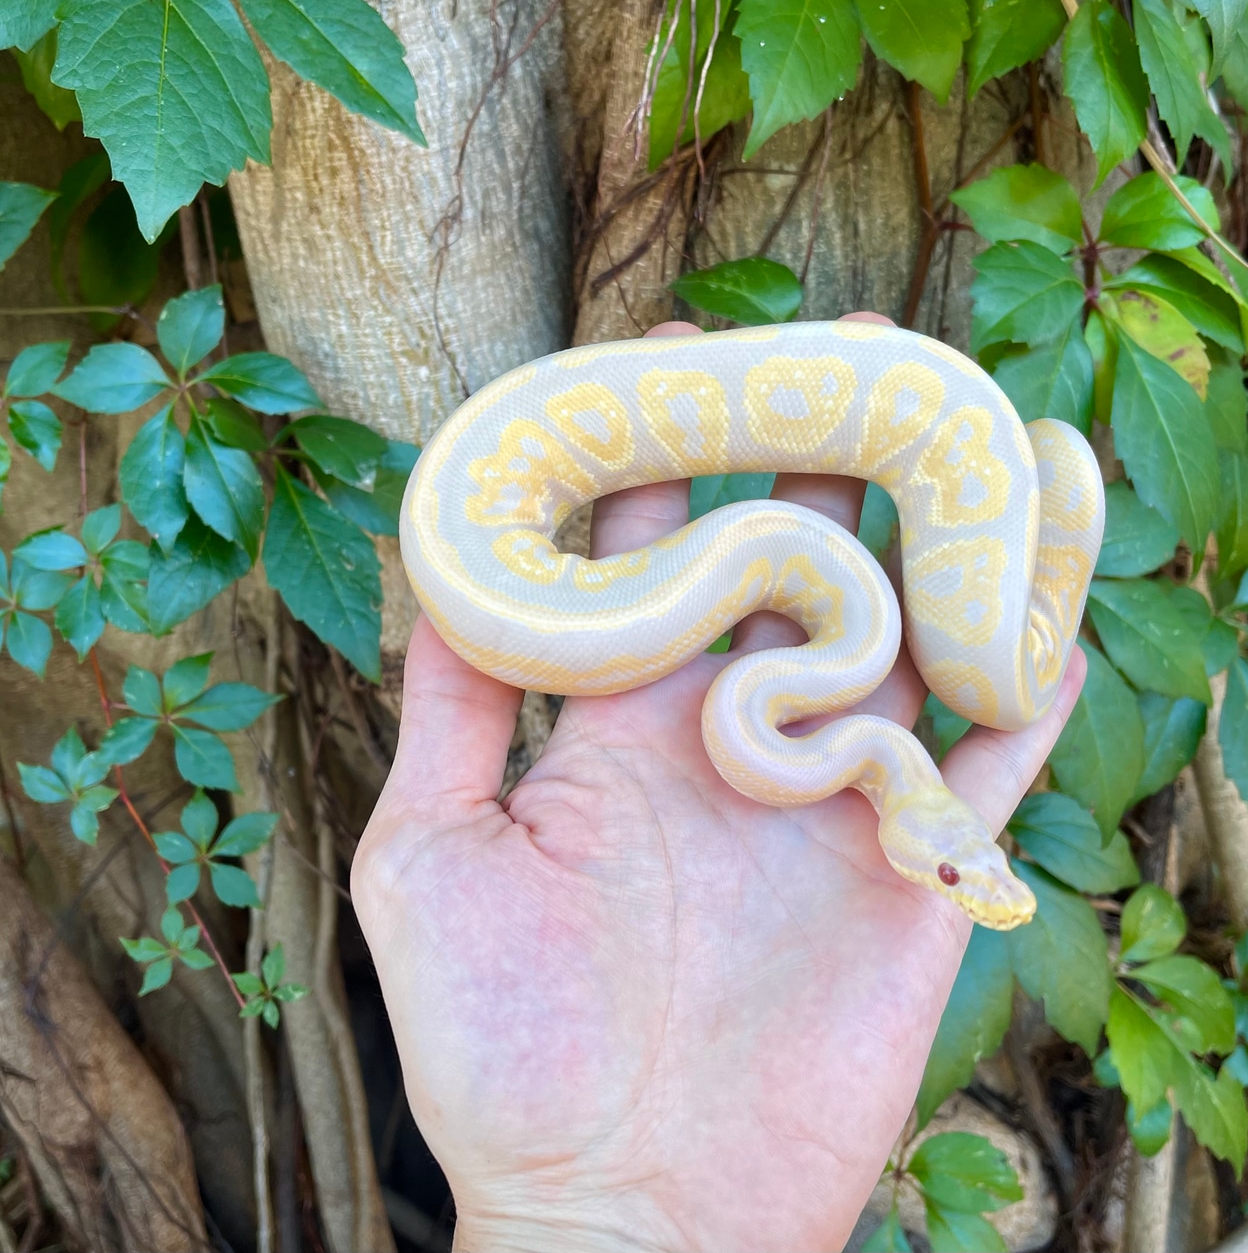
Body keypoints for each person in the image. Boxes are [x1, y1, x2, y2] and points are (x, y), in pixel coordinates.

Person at [351, 312, 1086, 1252]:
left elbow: (1053, 466)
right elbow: (1058, 466)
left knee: (1008, 662)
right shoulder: (838, 714)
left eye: (958, 869)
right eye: (955, 870)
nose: (965, 883)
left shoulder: (839, 716)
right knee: (1004, 664)